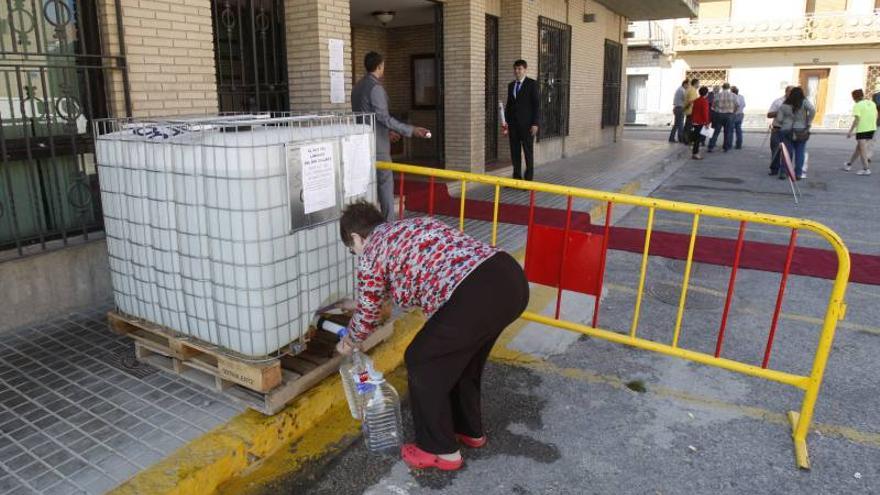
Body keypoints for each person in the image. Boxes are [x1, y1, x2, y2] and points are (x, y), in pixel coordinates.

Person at [335, 201, 529, 471]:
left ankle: (439, 450)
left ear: (356, 237)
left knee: (421, 358)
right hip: (508, 278)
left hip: (474, 293)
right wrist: (357, 304)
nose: (355, 253)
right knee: (464, 358)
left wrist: (350, 341)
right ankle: (468, 430)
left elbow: (369, 312)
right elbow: (406, 278)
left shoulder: (371, 250)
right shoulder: (414, 224)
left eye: (351, 249)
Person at [352, 51, 431, 220]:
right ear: (380, 66)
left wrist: (388, 131)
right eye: (383, 66)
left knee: (364, 186)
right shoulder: (375, 87)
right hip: (377, 145)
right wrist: (411, 130)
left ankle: (365, 222)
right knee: (385, 185)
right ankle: (388, 225)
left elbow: (369, 116)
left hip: (360, 143)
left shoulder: (357, 87)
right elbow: (382, 117)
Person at [504, 59, 540, 181]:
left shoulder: (532, 84)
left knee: (528, 153)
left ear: (525, 70)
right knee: (515, 153)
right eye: (515, 69)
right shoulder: (511, 86)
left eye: (520, 69)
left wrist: (535, 123)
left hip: (527, 126)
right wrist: (506, 122)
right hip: (513, 126)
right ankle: (516, 178)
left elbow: (536, 105)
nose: (517, 71)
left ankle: (528, 180)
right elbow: (509, 105)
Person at [776, 86, 816, 180]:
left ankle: (784, 172)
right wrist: (808, 122)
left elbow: (779, 119)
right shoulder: (804, 102)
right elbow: (812, 110)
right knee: (800, 152)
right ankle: (798, 173)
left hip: (786, 130)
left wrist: (785, 122)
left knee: (786, 152)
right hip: (801, 129)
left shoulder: (784, 104)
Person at [843, 89, 878, 176]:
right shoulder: (871, 103)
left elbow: (857, 120)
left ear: (854, 98)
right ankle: (849, 164)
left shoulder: (857, 105)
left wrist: (850, 131)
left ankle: (866, 169)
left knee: (862, 150)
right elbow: (876, 115)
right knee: (859, 148)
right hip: (872, 129)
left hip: (862, 130)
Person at [767, 86, 793, 176]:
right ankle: (774, 169)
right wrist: (780, 112)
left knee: (788, 151)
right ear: (786, 92)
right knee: (775, 149)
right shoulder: (778, 101)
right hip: (777, 129)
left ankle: (784, 171)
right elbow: (769, 114)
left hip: (789, 130)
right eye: (790, 92)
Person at [708, 83, 737, 153]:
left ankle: (711, 146)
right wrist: (733, 112)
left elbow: (713, 106)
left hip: (719, 115)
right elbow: (737, 105)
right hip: (729, 115)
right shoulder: (733, 95)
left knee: (716, 131)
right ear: (729, 88)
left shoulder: (718, 95)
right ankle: (725, 147)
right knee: (727, 132)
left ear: (722, 87)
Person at [690, 86, 711, 160]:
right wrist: (707, 122)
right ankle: (695, 153)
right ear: (706, 93)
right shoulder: (704, 101)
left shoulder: (696, 100)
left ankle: (694, 152)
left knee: (696, 138)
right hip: (700, 122)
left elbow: (693, 111)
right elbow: (705, 113)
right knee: (698, 139)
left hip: (695, 121)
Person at [683, 78, 699, 143]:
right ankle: (687, 140)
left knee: (687, 126)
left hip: (689, 111)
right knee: (689, 127)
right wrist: (686, 107)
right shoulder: (692, 90)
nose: (699, 85)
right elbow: (691, 101)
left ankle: (685, 139)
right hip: (691, 111)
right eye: (698, 83)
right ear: (695, 83)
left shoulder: (689, 89)